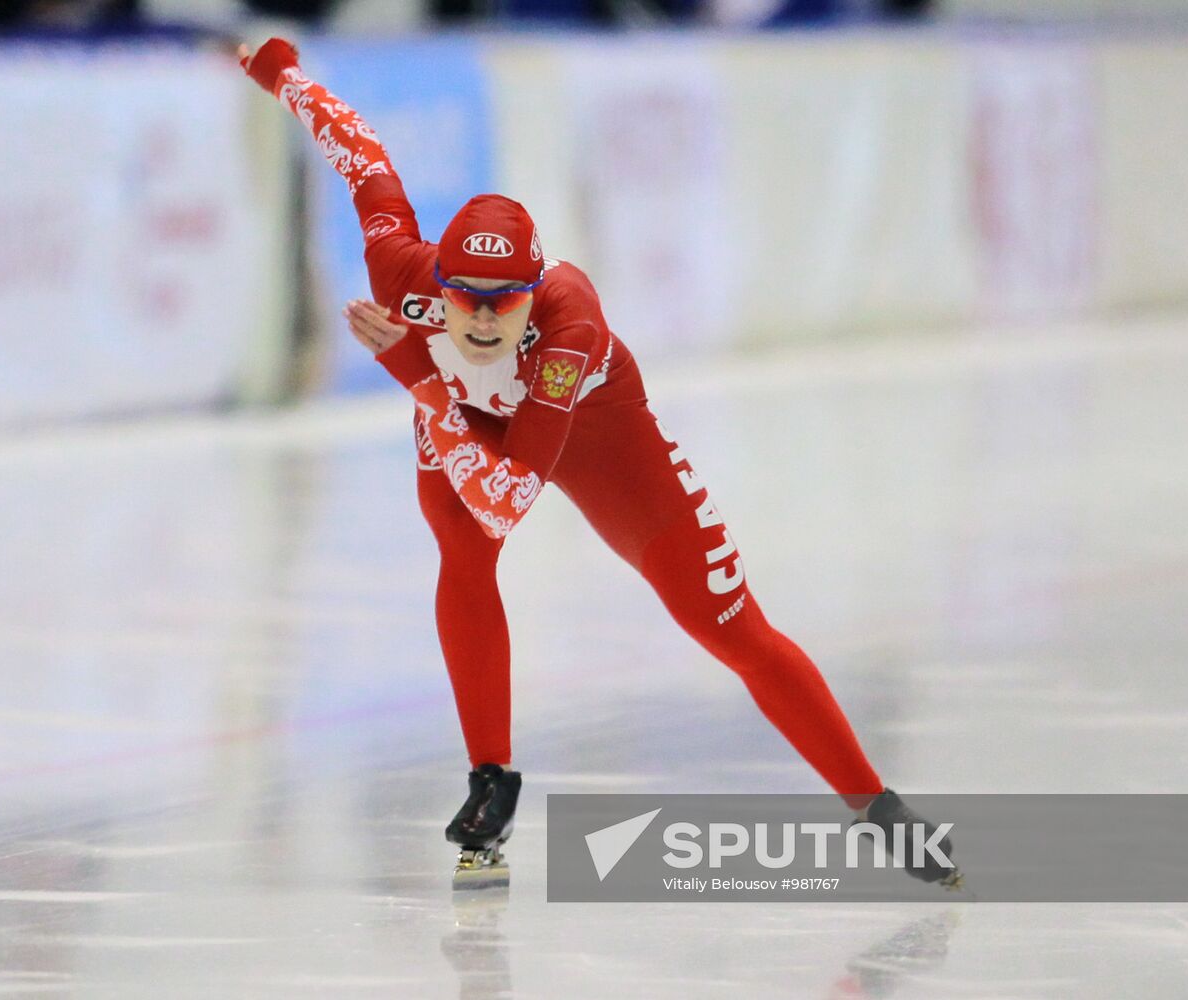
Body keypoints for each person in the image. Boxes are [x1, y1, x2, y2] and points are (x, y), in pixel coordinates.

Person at [238, 38, 958, 887]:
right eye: (464, 297)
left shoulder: (566, 323)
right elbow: (360, 154)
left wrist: (419, 376)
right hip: (463, 409)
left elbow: (509, 496)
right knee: (460, 553)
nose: (478, 318)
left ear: (531, 293)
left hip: (593, 433)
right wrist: (283, 73)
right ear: (439, 283)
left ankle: (877, 806)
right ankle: (490, 784)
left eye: (502, 303)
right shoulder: (402, 273)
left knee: (729, 631)